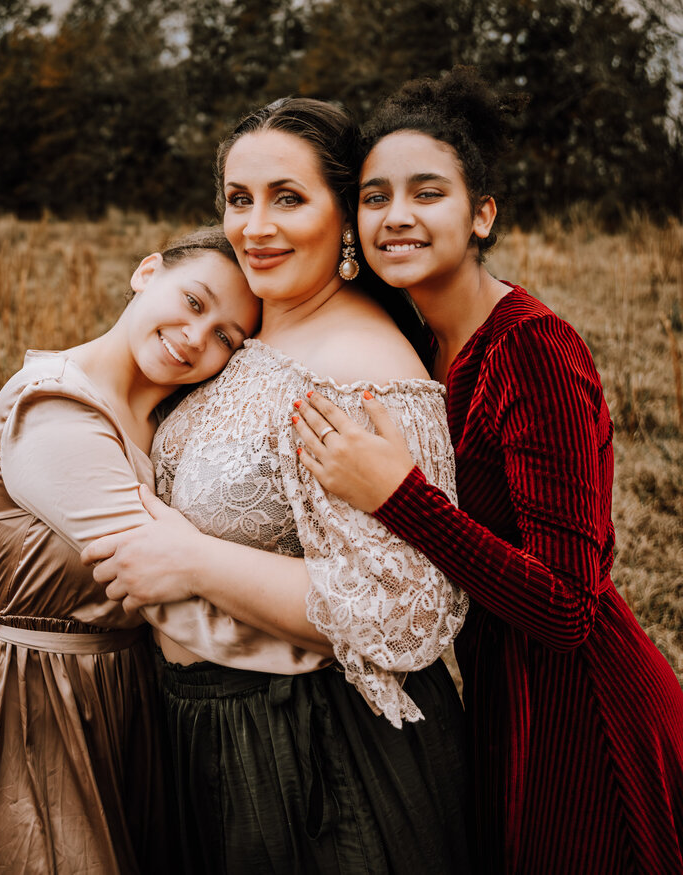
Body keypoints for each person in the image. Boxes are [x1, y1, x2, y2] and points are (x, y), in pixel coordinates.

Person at [290, 67, 683, 875]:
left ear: (482, 215)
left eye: (427, 192)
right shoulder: (414, 342)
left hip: (586, 712)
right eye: (374, 197)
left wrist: (402, 498)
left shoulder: (530, 350)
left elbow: (570, 605)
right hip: (505, 700)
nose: (396, 216)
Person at [83, 98, 472, 874]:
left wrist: (191, 562)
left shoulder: (363, 374)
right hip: (212, 734)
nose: (253, 226)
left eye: (287, 199)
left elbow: (409, 608)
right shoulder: (256, 326)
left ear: (347, 214)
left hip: (325, 763)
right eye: (238, 198)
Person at [0, 227, 300, 875]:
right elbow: (165, 583)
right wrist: (324, 633)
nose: (196, 334)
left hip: (126, 688)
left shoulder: (168, 422)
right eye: (193, 300)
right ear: (146, 271)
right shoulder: (55, 410)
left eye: (225, 336)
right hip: (31, 693)